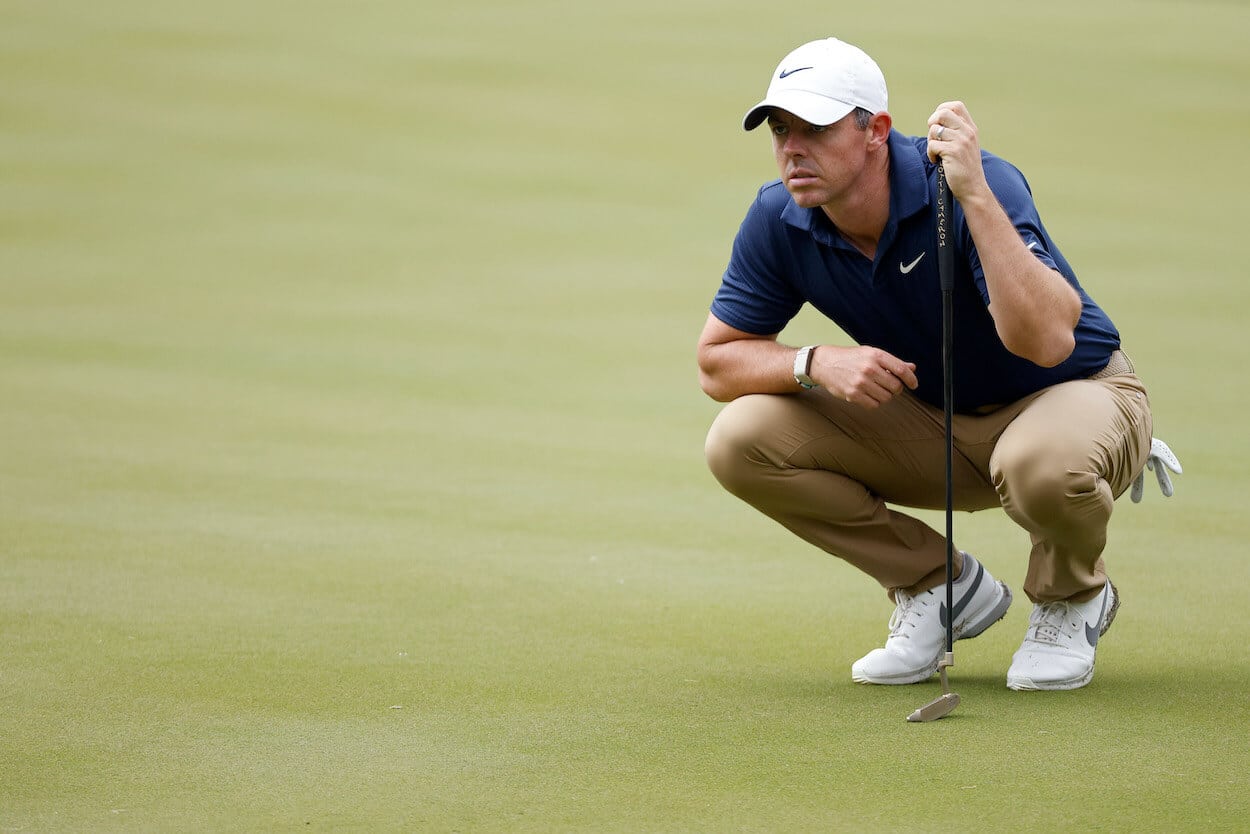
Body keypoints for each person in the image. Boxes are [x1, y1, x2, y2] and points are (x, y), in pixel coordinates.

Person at [697, 36, 1162, 691]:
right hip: (938, 421)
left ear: (876, 131)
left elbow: (1049, 343)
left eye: (816, 129)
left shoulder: (975, 183)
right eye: (781, 130)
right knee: (740, 441)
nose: (792, 149)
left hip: (1073, 393)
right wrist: (814, 359)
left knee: (1043, 461)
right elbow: (717, 363)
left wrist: (973, 196)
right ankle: (940, 587)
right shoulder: (779, 218)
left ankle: (1071, 596)